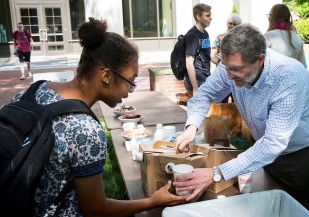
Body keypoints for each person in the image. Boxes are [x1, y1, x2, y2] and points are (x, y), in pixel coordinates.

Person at [11, 17, 187, 216]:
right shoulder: (85, 130)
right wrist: (152, 201)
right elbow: (95, 209)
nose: (130, 90)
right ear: (106, 75)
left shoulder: (33, 90)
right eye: (130, 80)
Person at [174, 23, 309, 215]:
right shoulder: (232, 65)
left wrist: (216, 173)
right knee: (270, 206)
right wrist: (191, 126)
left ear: (260, 59)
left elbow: (273, 143)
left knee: (299, 210)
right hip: (268, 151)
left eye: (236, 70)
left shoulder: (288, 77)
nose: (228, 76)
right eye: (226, 67)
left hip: (304, 155)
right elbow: (204, 94)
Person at [210, 13, 242, 103]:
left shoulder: (243, 39)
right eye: (230, 23)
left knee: (238, 104)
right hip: (223, 75)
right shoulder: (220, 37)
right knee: (220, 102)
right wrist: (223, 65)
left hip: (237, 76)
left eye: (235, 24)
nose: (232, 26)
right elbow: (212, 55)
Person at [183, 3, 212, 96]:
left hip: (205, 79)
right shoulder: (192, 36)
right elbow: (189, 63)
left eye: (210, 15)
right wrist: (195, 87)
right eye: (207, 15)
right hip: (196, 82)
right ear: (198, 17)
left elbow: (207, 56)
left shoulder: (205, 33)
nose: (211, 18)